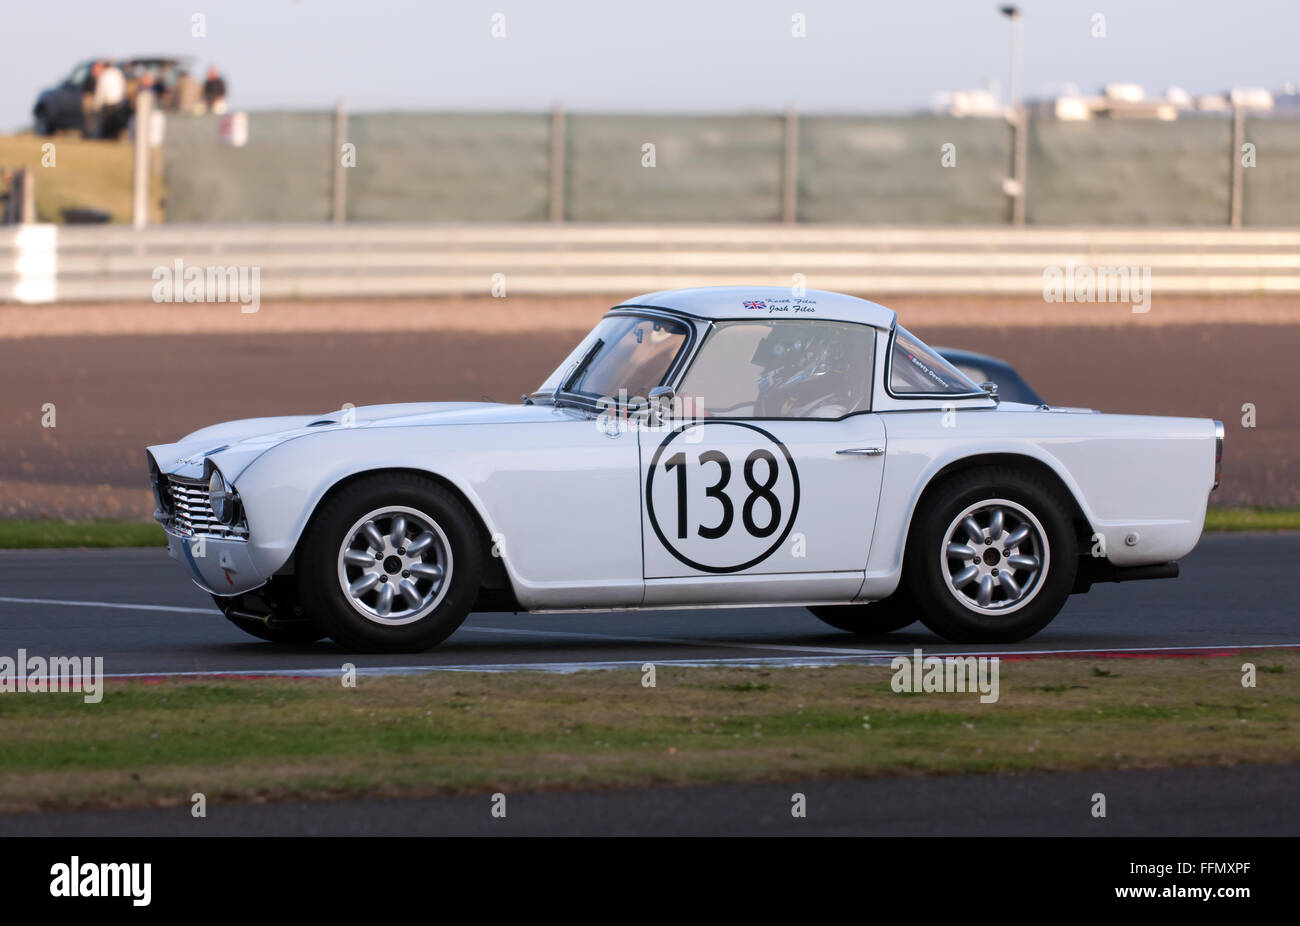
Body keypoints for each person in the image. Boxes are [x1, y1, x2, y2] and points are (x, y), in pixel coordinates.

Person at [91, 60, 127, 138]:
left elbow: (101, 92)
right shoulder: (118, 73)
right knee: (115, 128)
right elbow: (123, 88)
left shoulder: (104, 75)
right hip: (119, 104)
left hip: (108, 105)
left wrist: (96, 105)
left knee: (107, 128)